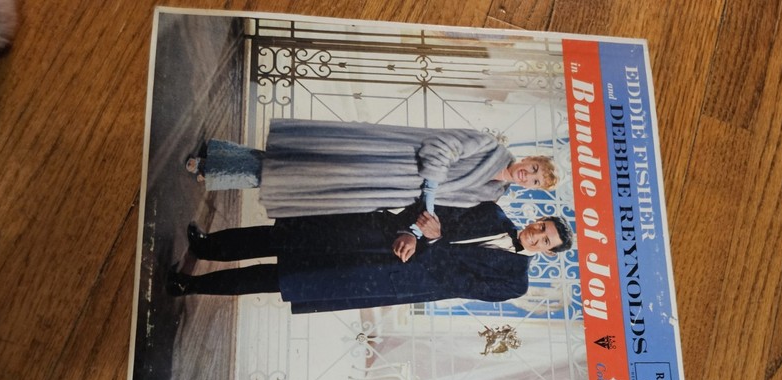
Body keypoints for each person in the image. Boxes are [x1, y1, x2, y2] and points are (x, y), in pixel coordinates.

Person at [165, 202, 573, 314]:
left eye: (545, 241)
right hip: (381, 237)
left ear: (548, 252)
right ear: (536, 219)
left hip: (386, 275)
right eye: (541, 227)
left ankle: (190, 285)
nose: (537, 235)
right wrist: (413, 230)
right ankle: (207, 247)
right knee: (284, 237)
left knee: (281, 278)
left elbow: (456, 282)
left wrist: (432, 241)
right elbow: (431, 207)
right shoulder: (492, 213)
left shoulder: (514, 282)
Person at [185, 120, 558, 218]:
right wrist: (431, 186)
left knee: (293, 176)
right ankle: (212, 167)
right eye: (534, 168)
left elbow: (443, 205)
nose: (528, 176)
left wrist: (424, 210)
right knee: (293, 169)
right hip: (381, 158)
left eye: (536, 182)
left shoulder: (492, 194)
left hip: (381, 189)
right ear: (530, 158)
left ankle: (217, 158)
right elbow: (441, 146)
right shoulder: (490, 147)